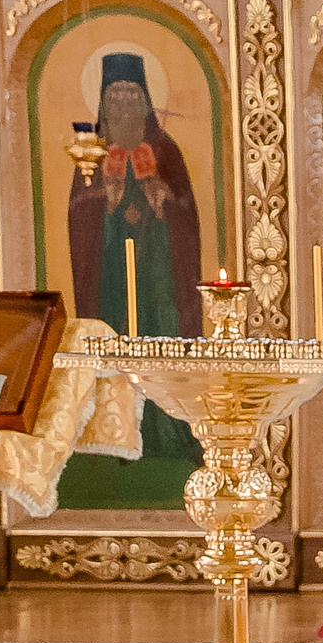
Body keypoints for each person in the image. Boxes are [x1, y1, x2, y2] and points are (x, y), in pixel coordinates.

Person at [66, 53, 202, 460]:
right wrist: (100, 201)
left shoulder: (166, 150)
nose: (124, 102)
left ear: (145, 101)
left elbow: (187, 213)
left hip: (159, 270)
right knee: (115, 337)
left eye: (132, 94)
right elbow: (78, 213)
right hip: (111, 271)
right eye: (116, 95)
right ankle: (113, 439)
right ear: (104, 103)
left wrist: (164, 198)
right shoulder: (91, 152)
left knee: (164, 338)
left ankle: (171, 434)